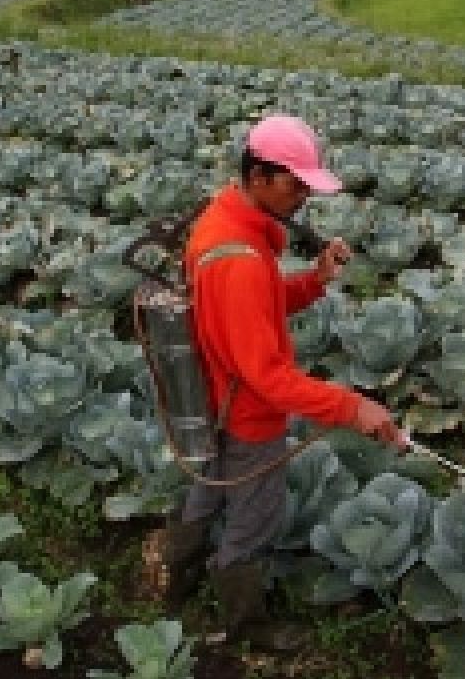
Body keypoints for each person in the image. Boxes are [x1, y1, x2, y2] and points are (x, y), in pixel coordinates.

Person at [161, 114, 405, 650]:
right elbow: (267, 377)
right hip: (246, 414)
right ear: (258, 176)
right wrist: (350, 406)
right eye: (295, 185)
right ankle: (243, 623)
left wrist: (314, 281)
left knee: (206, 492)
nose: (303, 198)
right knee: (254, 519)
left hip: (211, 398)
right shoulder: (240, 259)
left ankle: (175, 578)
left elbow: (251, 313)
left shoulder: (226, 227)